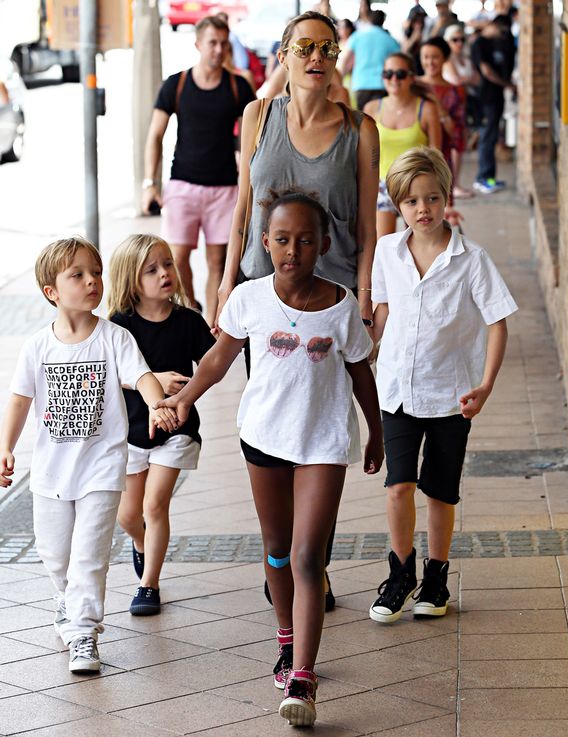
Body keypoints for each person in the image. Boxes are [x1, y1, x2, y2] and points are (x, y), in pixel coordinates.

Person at [158, 191, 383, 727]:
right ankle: (286, 637)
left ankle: (302, 677)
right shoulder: (249, 298)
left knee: (309, 558)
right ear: (265, 243)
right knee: (278, 552)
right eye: (282, 239)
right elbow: (217, 358)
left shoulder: (344, 304)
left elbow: (360, 373)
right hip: (263, 439)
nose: (293, 250)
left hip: (323, 444)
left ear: (324, 245)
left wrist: (377, 433)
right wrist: (183, 398)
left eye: (306, 240)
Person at [215, 10, 379, 609]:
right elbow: (241, 213)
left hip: (331, 309)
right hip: (266, 301)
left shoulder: (360, 129)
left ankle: (313, 561)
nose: (316, 57)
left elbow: (365, 226)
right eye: (304, 46)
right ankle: (281, 554)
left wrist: (364, 304)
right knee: (271, 426)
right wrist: (224, 285)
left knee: (323, 434)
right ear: (283, 54)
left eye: (327, 48)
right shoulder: (258, 116)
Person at [0, 237, 177, 673]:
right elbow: (20, 400)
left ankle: (84, 634)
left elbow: (142, 376)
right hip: (50, 474)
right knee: (55, 553)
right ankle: (66, 601)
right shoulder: (38, 347)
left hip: (101, 468)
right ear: (52, 292)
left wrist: (157, 403)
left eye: (95, 272)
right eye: (77, 275)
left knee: (88, 555)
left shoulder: (114, 337)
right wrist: (5, 446)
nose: (91, 281)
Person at [368, 147, 517, 623]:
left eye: (432, 198)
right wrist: (368, 352)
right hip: (396, 389)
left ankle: (436, 577)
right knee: (398, 486)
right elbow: (383, 310)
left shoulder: (471, 259)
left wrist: (487, 384)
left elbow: (498, 323)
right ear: (397, 205)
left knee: (440, 492)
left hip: (451, 395)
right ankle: (400, 573)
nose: (423, 209)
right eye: (411, 202)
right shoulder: (388, 251)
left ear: (446, 196)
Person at [108, 235, 215, 616]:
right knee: (127, 515)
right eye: (151, 270)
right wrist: (152, 378)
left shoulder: (188, 321)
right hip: (132, 430)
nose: (164, 274)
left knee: (155, 506)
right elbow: (107, 372)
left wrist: (184, 398)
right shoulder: (119, 326)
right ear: (130, 280)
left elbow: (212, 367)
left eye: (167, 264)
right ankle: (141, 544)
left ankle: (148, 585)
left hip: (177, 429)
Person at [141, 15, 255, 325]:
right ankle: (192, 314)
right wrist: (150, 182)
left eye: (223, 43)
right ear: (198, 44)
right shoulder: (176, 84)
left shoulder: (238, 87)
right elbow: (155, 135)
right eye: (212, 43)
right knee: (177, 259)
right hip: (182, 185)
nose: (218, 50)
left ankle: (213, 327)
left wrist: (249, 185)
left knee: (218, 261)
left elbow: (249, 142)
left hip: (224, 188)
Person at [364, 53, 441, 239]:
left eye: (400, 74)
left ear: (411, 77)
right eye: (388, 74)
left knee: (418, 242)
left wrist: (442, 194)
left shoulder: (427, 108)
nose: (393, 79)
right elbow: (364, 155)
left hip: (417, 185)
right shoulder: (372, 108)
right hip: (382, 184)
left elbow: (436, 156)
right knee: (383, 244)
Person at [470, 16, 516, 194]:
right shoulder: (480, 43)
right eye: (502, 31)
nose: (503, 35)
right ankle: (482, 178)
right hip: (486, 97)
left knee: (492, 135)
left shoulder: (500, 43)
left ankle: (489, 177)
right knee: (487, 136)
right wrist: (508, 85)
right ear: (494, 25)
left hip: (497, 97)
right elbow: (487, 71)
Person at [418, 38, 468, 197]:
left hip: (440, 159)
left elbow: (455, 133)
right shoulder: (412, 85)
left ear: (445, 59)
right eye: (425, 57)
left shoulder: (455, 91)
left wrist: (439, 109)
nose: (430, 62)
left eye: (435, 57)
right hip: (413, 155)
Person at [341, 9, 400, 111]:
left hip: (360, 84)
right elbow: (399, 60)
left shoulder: (357, 36)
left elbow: (346, 60)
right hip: (381, 84)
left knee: (362, 119)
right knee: (379, 121)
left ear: (370, 20)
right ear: (383, 21)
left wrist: (340, 80)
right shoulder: (389, 39)